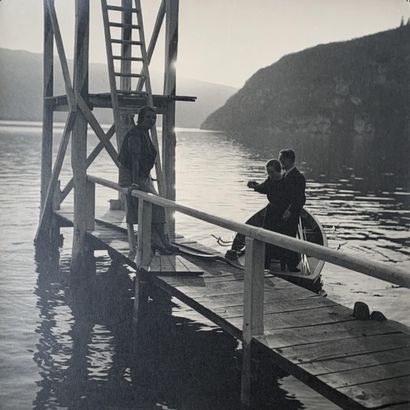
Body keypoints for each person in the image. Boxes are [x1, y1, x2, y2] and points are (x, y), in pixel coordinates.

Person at [118, 106, 175, 254]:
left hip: (142, 176)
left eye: (153, 118)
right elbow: (135, 160)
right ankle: (158, 242)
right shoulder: (135, 135)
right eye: (148, 117)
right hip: (131, 176)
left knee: (158, 204)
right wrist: (135, 183)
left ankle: (163, 240)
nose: (151, 120)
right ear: (141, 118)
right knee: (155, 204)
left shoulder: (144, 133)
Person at [278, 148, 306, 272]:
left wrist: (289, 212)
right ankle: (282, 263)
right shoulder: (284, 175)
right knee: (281, 237)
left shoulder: (298, 177)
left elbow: (300, 199)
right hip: (281, 213)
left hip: (291, 214)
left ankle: (291, 265)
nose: (280, 162)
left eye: (282, 160)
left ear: (289, 160)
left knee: (289, 237)